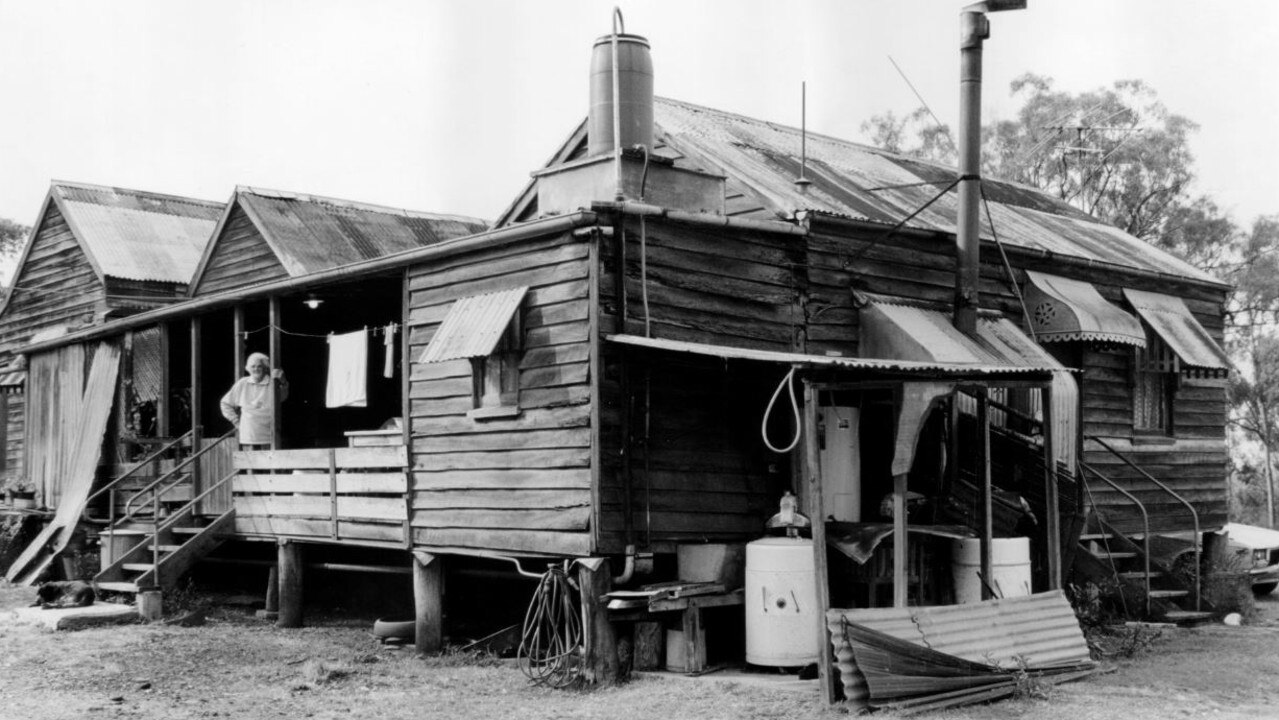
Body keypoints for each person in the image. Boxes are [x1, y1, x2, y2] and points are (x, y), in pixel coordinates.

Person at [220, 352, 288, 447]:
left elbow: (283, 397)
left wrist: (283, 382)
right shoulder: (242, 383)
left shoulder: (273, 383)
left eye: (259, 366)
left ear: (265, 368)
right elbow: (225, 403)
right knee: (249, 461)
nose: (256, 369)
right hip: (248, 437)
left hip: (269, 436)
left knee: (268, 461)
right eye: (253, 366)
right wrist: (235, 421)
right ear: (248, 368)